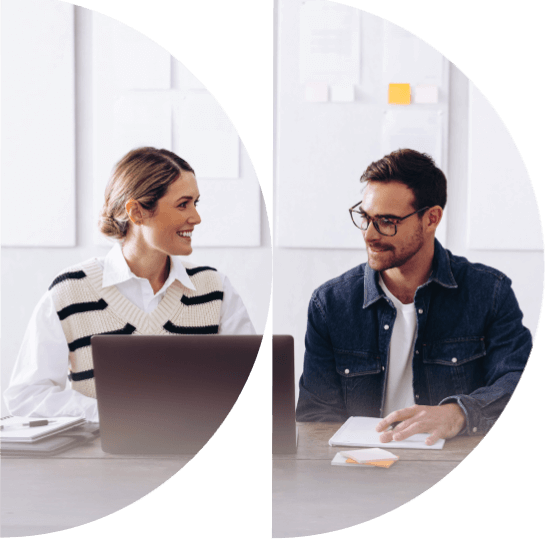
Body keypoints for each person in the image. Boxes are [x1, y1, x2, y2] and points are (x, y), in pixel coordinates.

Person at [295, 148, 533, 446]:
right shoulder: (330, 304)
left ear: (431, 218)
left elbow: (514, 378)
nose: (369, 235)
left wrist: (458, 413)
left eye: (387, 221)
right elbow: (316, 417)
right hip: (358, 473)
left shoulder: (489, 293)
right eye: (365, 217)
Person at [4, 147, 256, 423]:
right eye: (183, 204)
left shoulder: (215, 289)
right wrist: (104, 411)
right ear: (136, 212)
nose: (196, 217)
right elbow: (26, 396)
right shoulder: (70, 291)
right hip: (100, 461)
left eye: (196, 203)